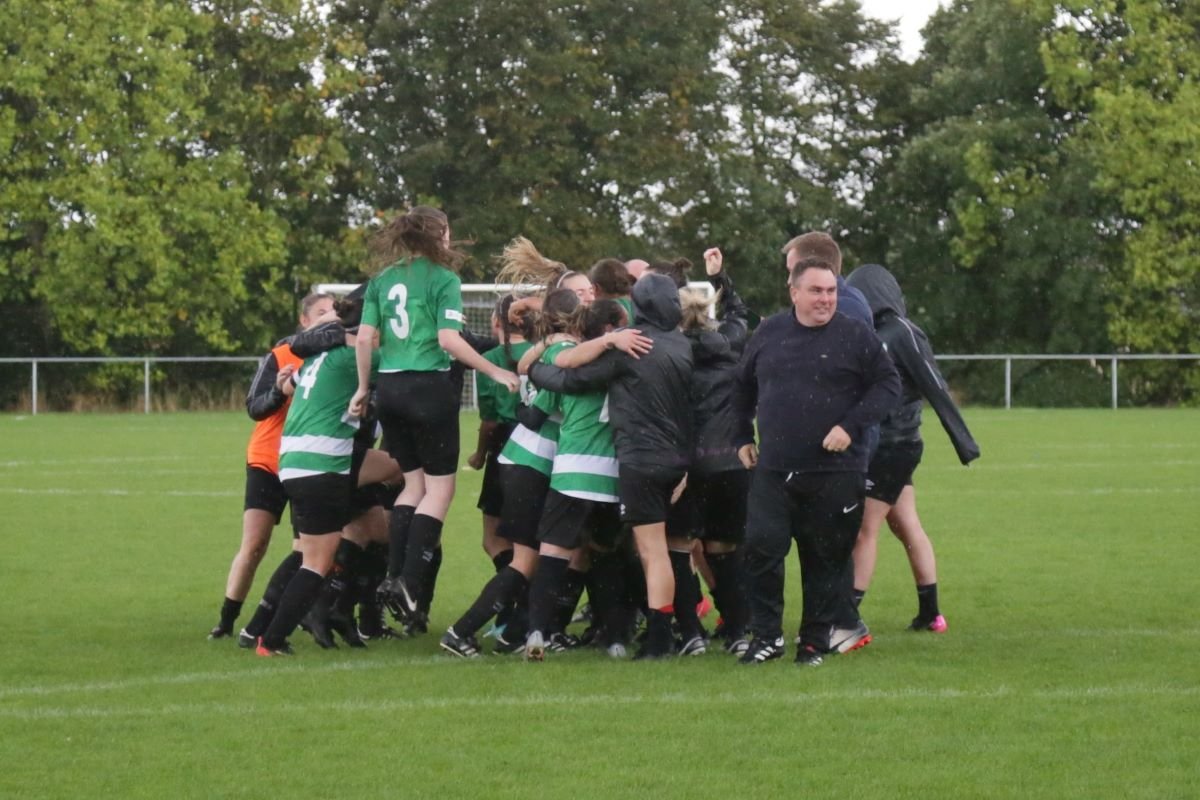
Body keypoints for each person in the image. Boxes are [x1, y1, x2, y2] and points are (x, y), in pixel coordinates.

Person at [350, 207, 518, 628]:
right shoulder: (445, 279)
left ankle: (392, 578)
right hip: (429, 389)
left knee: (413, 486)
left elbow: (367, 338)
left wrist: (361, 387)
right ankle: (408, 582)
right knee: (440, 491)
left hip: (389, 390)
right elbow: (448, 339)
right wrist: (495, 370)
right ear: (439, 234)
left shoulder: (383, 280)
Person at [732, 256, 900, 666]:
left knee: (824, 560)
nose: (826, 299)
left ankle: (812, 642)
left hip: (835, 472)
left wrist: (851, 426)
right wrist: (739, 436)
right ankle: (767, 637)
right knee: (761, 548)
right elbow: (740, 386)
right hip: (773, 468)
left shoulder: (855, 334)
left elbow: (888, 385)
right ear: (794, 292)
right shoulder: (769, 332)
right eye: (816, 291)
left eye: (831, 291)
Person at [529, 272, 694, 659]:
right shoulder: (683, 346)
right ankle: (665, 632)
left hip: (638, 459)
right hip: (676, 458)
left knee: (648, 551)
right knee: (660, 552)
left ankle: (656, 641)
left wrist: (534, 368)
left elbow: (570, 380)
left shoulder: (632, 347)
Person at [845, 263, 981, 632]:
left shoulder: (902, 332)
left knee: (863, 529)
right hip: (882, 445)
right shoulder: (868, 333)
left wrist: (963, 442)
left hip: (894, 446)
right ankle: (931, 614)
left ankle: (846, 617)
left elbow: (934, 384)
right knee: (906, 525)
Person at [254, 295, 382, 655]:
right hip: (321, 463)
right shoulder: (354, 357)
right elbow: (404, 367)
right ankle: (272, 639)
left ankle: (262, 631)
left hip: (293, 460)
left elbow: (287, 385)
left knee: (309, 554)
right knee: (318, 560)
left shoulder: (314, 359)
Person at [208, 292, 335, 641]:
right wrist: (281, 392)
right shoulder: (282, 355)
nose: (330, 318)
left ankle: (277, 621)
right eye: (321, 313)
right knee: (254, 545)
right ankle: (226, 620)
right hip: (269, 459)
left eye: (334, 312)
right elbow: (255, 407)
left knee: (305, 549)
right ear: (304, 321)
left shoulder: (337, 355)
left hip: (310, 462)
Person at [678, 247, 753, 655]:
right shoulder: (731, 346)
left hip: (688, 466)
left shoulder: (672, 355)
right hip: (731, 463)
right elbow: (742, 317)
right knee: (726, 551)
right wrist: (721, 278)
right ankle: (740, 630)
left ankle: (690, 631)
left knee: (680, 548)